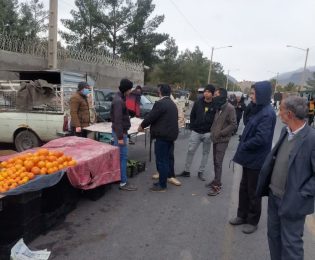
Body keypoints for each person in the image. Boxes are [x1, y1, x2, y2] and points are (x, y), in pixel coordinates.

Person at [257, 96, 315, 260]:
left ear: (289, 114)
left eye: (281, 109)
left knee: (291, 244)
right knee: (273, 236)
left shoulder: (311, 138)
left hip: (293, 201)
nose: (279, 112)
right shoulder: (285, 131)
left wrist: (301, 194)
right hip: (274, 196)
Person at [229, 81, 276, 234]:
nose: (251, 96)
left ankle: (252, 220)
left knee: (253, 191)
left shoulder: (268, 113)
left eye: (254, 93)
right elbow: (248, 121)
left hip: (257, 158)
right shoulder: (258, 109)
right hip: (249, 158)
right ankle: (241, 215)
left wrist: (245, 144)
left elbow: (261, 138)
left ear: (262, 95)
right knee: (243, 188)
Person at [138, 84, 179, 192]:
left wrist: (141, 126)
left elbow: (151, 117)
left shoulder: (160, 104)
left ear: (160, 92)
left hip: (163, 136)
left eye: (158, 90)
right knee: (166, 159)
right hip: (171, 136)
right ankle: (163, 181)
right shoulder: (172, 104)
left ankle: (162, 185)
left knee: (162, 161)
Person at [177, 84, 216, 181]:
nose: (206, 93)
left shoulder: (215, 105)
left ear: (212, 94)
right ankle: (186, 171)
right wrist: (193, 126)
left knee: (205, 153)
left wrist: (211, 131)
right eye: (205, 91)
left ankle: (201, 172)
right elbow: (192, 115)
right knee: (190, 150)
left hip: (208, 133)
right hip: (196, 131)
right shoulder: (198, 102)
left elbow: (217, 119)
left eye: (208, 92)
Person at [207, 88, 237, 196]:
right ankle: (216, 180)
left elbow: (233, 125)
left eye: (216, 95)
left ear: (222, 96)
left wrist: (220, 133)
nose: (214, 96)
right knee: (215, 161)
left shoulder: (230, 108)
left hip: (222, 140)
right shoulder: (218, 107)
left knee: (218, 162)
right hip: (216, 139)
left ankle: (217, 186)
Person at [111, 78, 137, 191]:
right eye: (130, 89)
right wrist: (121, 137)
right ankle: (123, 182)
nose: (131, 91)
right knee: (123, 157)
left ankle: (119, 178)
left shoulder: (120, 98)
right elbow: (118, 121)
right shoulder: (118, 101)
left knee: (120, 157)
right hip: (120, 133)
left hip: (120, 132)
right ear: (126, 89)